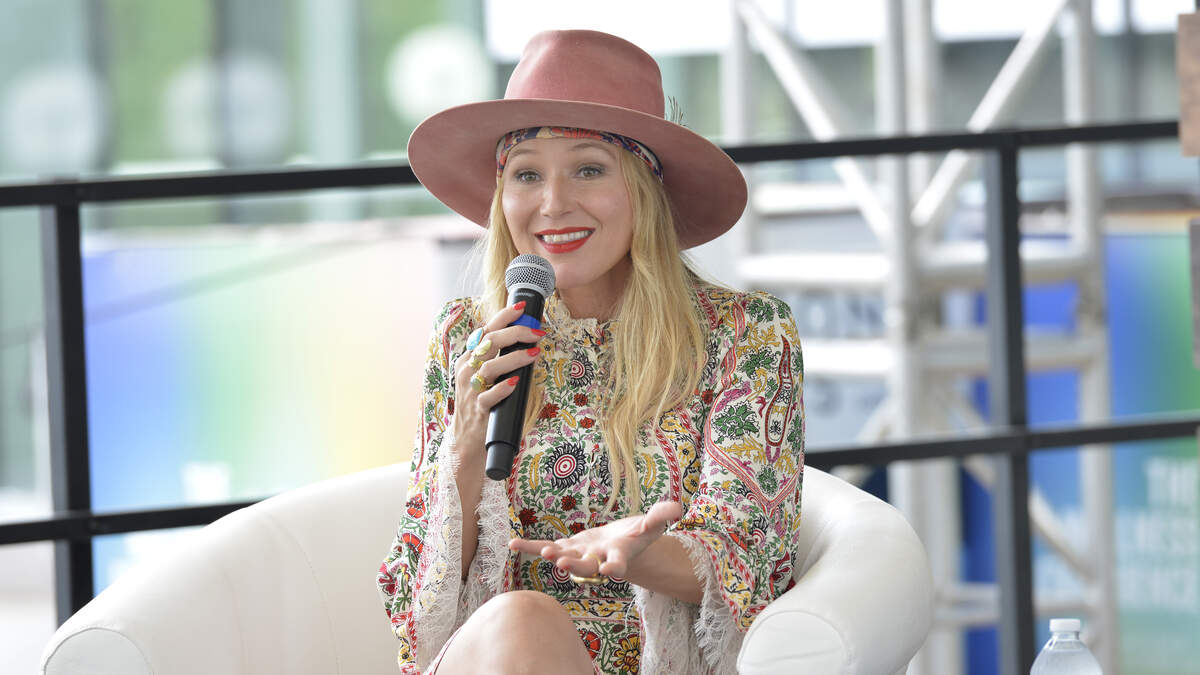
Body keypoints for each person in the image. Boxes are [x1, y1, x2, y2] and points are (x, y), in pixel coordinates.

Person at [377, 29, 804, 675]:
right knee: (520, 619)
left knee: (524, 620)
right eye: (527, 174)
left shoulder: (745, 334)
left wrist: (638, 555)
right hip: (490, 656)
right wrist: (464, 446)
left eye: (588, 169)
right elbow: (413, 607)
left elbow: (753, 554)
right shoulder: (467, 337)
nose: (553, 205)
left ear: (644, 190)